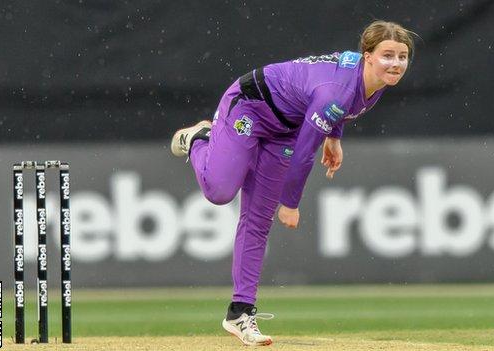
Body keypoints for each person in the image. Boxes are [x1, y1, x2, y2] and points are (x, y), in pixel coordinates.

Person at [171, 20, 416, 346]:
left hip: (284, 127)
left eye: (402, 56)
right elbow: (304, 152)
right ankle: (200, 139)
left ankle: (240, 313)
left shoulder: (371, 81)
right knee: (220, 191)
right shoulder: (339, 90)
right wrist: (290, 203)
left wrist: (334, 136)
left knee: (257, 220)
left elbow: (331, 108)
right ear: (367, 56)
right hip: (249, 105)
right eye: (388, 55)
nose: (396, 64)